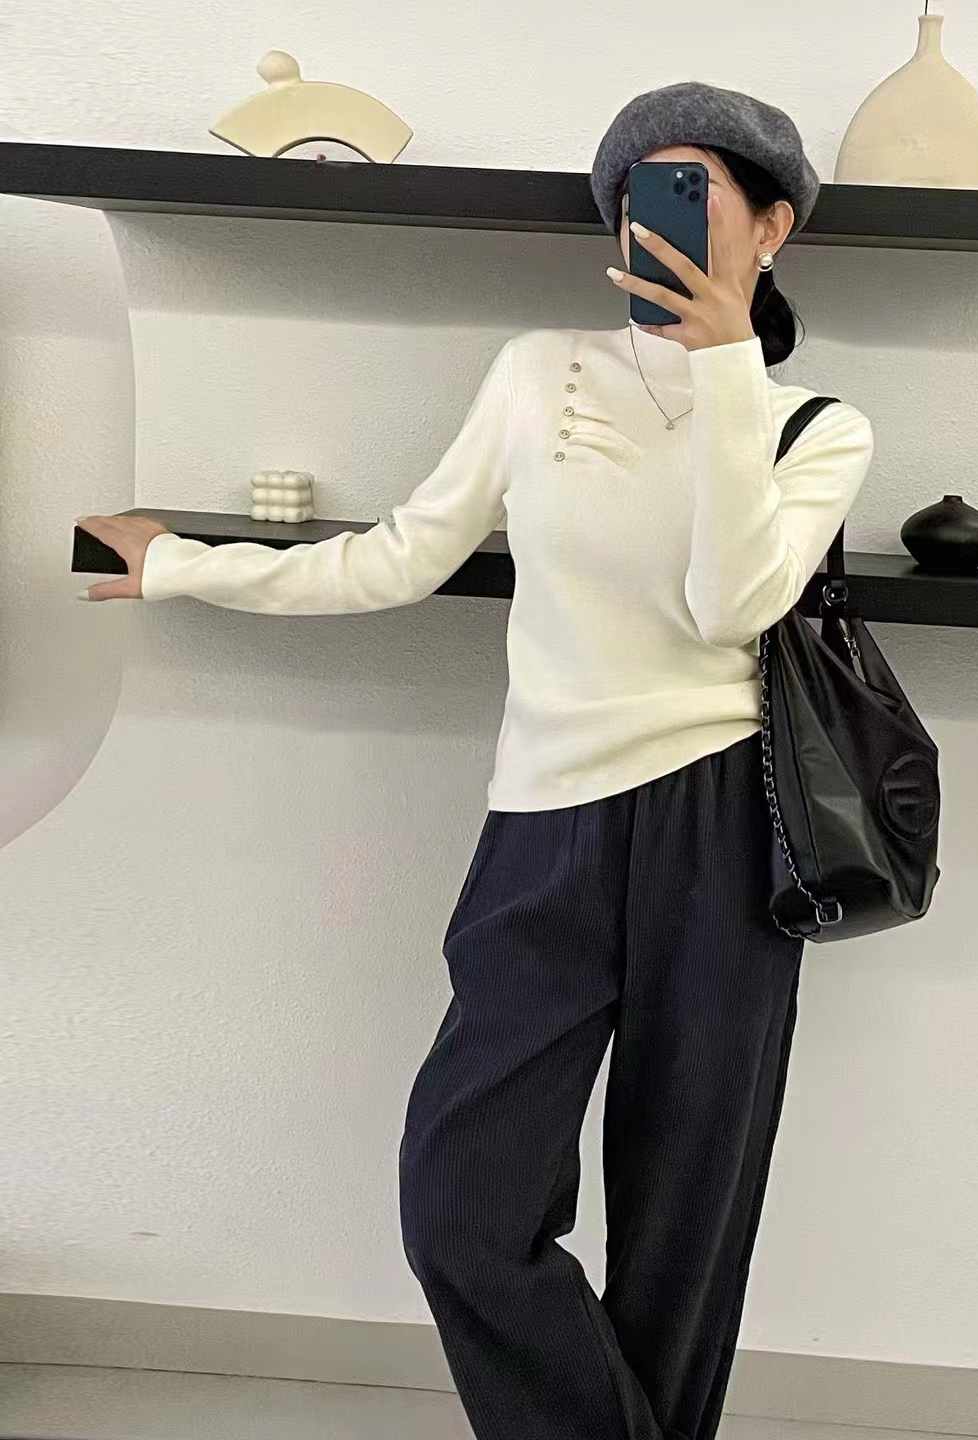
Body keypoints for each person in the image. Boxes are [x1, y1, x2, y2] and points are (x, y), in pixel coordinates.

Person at [74, 81, 874, 1440]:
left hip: (727, 830)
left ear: (771, 228)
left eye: (693, 195)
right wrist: (180, 566)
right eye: (637, 200)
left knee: (686, 1219)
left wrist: (731, 370)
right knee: (461, 1203)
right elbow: (397, 559)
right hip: (546, 822)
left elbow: (729, 606)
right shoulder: (535, 371)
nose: (656, 223)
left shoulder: (817, 427)